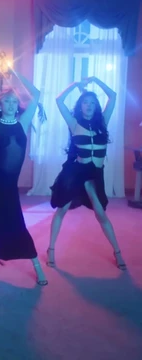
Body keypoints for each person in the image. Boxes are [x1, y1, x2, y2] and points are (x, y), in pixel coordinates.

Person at [0, 67, 48, 286]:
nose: (12, 105)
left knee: (17, 225)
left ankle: (37, 268)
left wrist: (15, 73)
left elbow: (36, 94)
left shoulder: (23, 123)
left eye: (15, 101)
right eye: (7, 101)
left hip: (9, 186)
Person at [47, 77, 126, 270]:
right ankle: (51, 249)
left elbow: (113, 96)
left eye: (92, 102)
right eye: (85, 102)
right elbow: (59, 100)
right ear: (80, 106)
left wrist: (96, 80)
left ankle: (117, 252)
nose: (89, 105)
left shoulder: (103, 122)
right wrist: (76, 85)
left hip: (95, 175)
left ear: (96, 106)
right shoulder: (73, 123)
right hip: (76, 173)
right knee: (62, 209)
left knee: (100, 213)